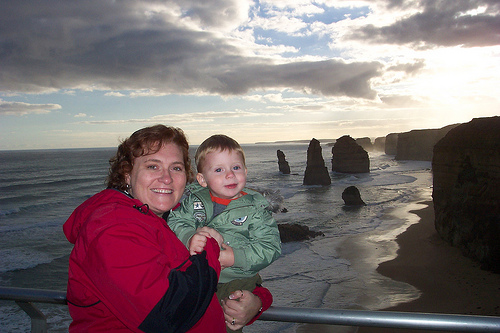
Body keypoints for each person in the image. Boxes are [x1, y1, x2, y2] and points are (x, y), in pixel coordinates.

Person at [63, 125, 272, 332]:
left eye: (176, 168)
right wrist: (210, 246)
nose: (167, 178)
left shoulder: (161, 220)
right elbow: (168, 314)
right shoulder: (112, 226)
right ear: (127, 173)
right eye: (153, 166)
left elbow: (198, 286)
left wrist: (257, 301)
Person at [167, 135, 281, 331]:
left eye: (235, 168)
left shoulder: (255, 209)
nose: (230, 175)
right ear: (202, 179)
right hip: (195, 276)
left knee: (225, 324)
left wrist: (235, 257)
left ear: (245, 171)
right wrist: (188, 238)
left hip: (235, 281)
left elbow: (270, 247)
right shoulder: (192, 201)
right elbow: (175, 222)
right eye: (219, 170)